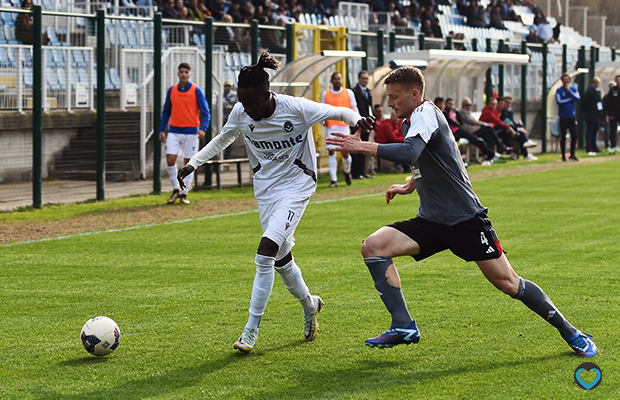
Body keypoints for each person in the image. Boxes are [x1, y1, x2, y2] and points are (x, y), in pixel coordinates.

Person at [325, 65, 597, 357]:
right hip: (432, 220)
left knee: (509, 283)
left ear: (415, 94)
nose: (389, 103)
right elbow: (434, 159)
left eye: (394, 96)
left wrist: (363, 146)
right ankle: (403, 324)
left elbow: (409, 153)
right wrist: (410, 186)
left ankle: (572, 332)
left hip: (466, 220)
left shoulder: (425, 114)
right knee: (373, 246)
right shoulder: (409, 120)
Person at [177, 52, 374, 353]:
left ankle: (250, 330)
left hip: (297, 184)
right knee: (281, 259)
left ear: (267, 94)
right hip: (266, 189)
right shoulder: (242, 113)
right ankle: (310, 305)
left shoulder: (295, 108)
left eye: (252, 103)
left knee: (265, 251)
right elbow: (222, 139)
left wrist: (358, 119)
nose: (247, 109)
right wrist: (194, 162)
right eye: (243, 103)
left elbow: (336, 111)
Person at [159, 63, 211, 204]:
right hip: (174, 131)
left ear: (190, 74)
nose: (183, 74)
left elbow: (206, 112)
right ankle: (176, 189)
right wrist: (161, 129)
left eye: (186, 72)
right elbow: (166, 112)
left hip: (191, 132)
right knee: (170, 159)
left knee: (189, 163)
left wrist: (203, 129)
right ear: (178, 73)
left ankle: (185, 193)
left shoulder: (196, 91)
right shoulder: (172, 90)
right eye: (181, 71)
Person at [322, 71, 359, 187]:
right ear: (331, 81)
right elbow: (322, 109)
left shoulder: (348, 93)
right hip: (332, 127)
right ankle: (334, 180)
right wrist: (323, 121)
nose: (337, 81)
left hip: (344, 126)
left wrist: (358, 121)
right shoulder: (326, 94)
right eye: (335, 79)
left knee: (345, 152)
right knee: (331, 152)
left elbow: (354, 108)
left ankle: (347, 171)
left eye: (339, 78)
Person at [443, 97, 503, 164]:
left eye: (452, 104)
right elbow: (456, 123)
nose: (451, 106)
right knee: (481, 138)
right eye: (449, 104)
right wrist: (485, 124)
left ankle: (491, 156)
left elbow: (459, 121)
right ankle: (496, 150)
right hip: (459, 131)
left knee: (487, 139)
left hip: (461, 130)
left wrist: (456, 112)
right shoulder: (448, 113)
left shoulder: (453, 113)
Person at [499, 96, 538, 160]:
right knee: (520, 134)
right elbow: (506, 123)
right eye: (507, 102)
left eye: (510, 103)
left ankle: (526, 151)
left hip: (509, 130)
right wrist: (517, 129)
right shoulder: (503, 111)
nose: (508, 104)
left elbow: (512, 122)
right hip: (504, 131)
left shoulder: (510, 111)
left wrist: (518, 126)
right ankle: (526, 145)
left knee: (521, 130)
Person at [352, 70, 373, 179]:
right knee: (356, 148)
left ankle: (363, 171)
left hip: (367, 124)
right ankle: (355, 172)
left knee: (364, 147)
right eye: (363, 78)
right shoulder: (354, 92)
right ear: (359, 79)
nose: (365, 80)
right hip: (358, 124)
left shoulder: (368, 92)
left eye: (367, 78)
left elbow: (370, 108)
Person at [555, 73, 580, 161]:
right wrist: (570, 99)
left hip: (571, 116)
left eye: (567, 79)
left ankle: (572, 154)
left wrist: (570, 92)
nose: (566, 81)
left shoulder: (573, 89)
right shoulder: (559, 90)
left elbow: (578, 99)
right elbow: (559, 101)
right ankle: (563, 155)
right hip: (563, 116)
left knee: (574, 135)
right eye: (564, 80)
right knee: (563, 136)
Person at [582, 77, 603, 155]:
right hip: (591, 115)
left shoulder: (598, 92)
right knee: (590, 131)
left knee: (595, 131)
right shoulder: (590, 92)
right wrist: (585, 111)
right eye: (595, 82)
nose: (596, 84)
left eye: (598, 82)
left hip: (597, 115)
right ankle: (589, 147)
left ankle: (594, 146)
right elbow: (584, 102)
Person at [604, 75, 620, 154]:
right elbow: (608, 103)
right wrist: (608, 114)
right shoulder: (613, 91)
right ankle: (613, 148)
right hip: (614, 113)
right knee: (613, 131)